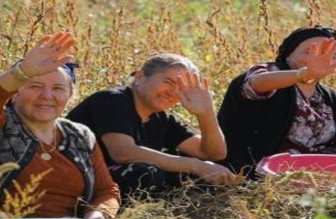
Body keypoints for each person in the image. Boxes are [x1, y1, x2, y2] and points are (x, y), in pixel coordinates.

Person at [0, 32, 119, 219]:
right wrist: (23, 71)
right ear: (14, 93)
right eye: (35, 85)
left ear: (70, 96)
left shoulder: (80, 136)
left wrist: (98, 215)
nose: (47, 95)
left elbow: (106, 190)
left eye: (58, 88)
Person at [66, 53, 240, 198]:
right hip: (75, 180)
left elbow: (214, 153)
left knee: (215, 169)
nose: (172, 92)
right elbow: (123, 153)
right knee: (145, 172)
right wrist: (197, 165)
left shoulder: (160, 118)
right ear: (141, 77)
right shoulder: (112, 100)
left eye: (179, 87)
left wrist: (206, 112)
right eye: (168, 82)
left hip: (109, 184)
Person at [218, 26, 336, 175]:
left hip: (313, 170)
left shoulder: (331, 97)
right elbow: (256, 84)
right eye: (310, 51)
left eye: (331, 55)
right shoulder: (271, 74)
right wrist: (303, 74)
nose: (317, 59)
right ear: (288, 53)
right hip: (263, 169)